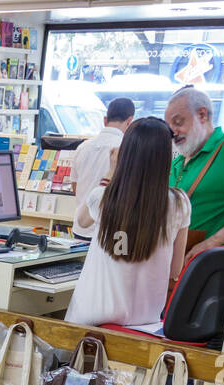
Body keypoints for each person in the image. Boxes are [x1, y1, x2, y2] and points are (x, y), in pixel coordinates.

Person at [65, 116, 190, 333]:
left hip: (90, 321)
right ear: (167, 158)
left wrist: (110, 173)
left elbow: (81, 221)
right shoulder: (180, 203)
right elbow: (175, 270)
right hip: (145, 326)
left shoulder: (103, 198)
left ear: (125, 155)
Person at [164, 86, 224, 262]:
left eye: (178, 122)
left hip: (203, 268)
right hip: (172, 265)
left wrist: (211, 243)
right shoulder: (180, 159)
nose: (173, 132)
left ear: (202, 115)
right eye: (169, 126)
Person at [70, 97, 135, 240]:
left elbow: (75, 187)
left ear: (105, 120)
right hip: (108, 232)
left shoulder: (82, 147)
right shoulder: (127, 149)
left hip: (80, 228)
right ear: (130, 121)